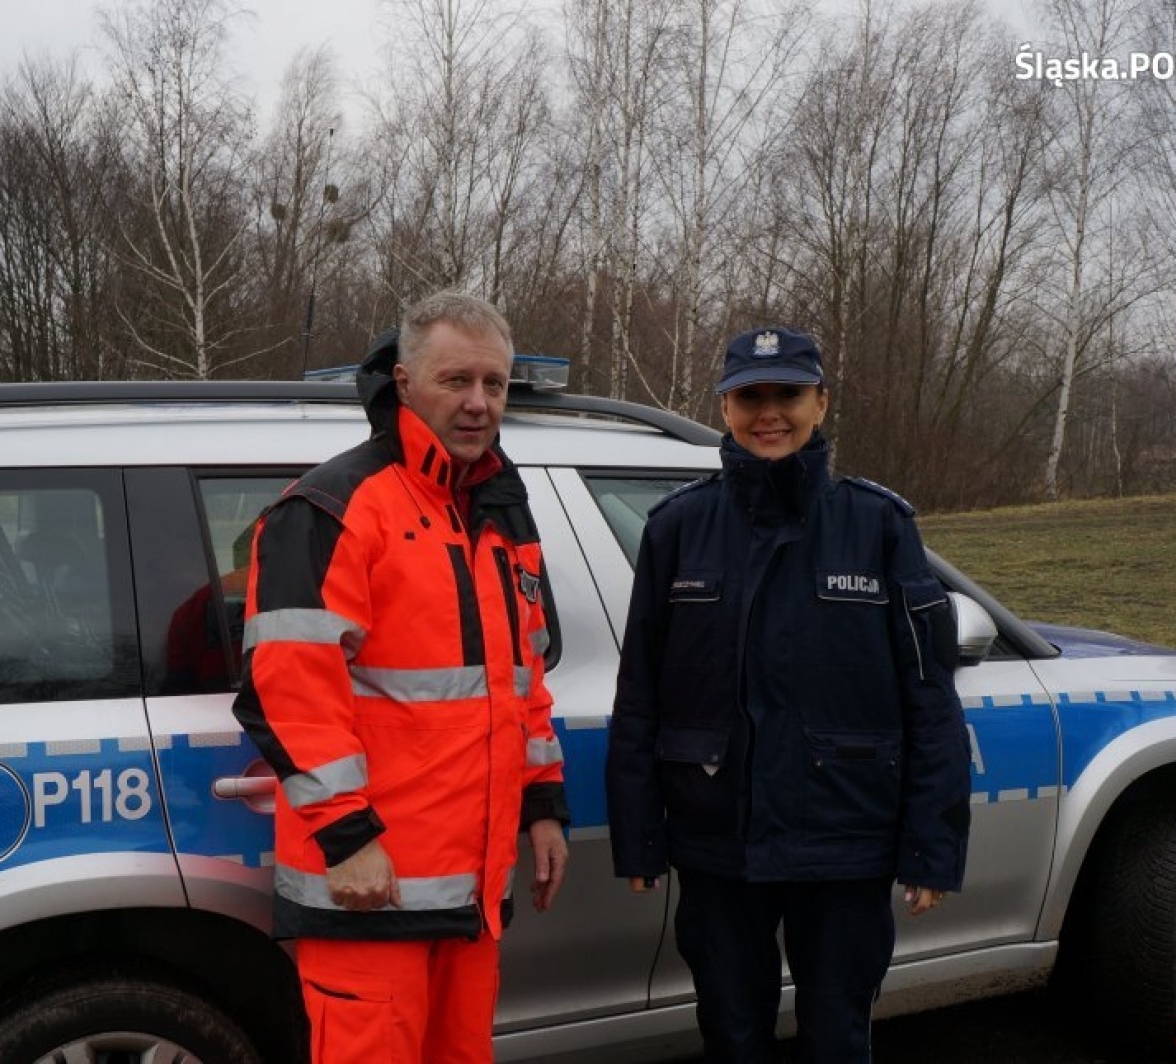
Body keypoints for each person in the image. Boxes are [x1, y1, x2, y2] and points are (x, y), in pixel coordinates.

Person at [606, 326, 971, 1063]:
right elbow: (640, 690)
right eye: (750, 396)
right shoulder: (677, 528)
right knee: (732, 1036)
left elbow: (929, 695)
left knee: (839, 1037)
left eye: (789, 395)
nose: (769, 413)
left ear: (822, 402)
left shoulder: (878, 526)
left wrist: (930, 845)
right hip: (718, 840)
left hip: (845, 839)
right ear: (725, 408)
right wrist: (640, 834)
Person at [232, 290, 570, 1064]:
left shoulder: (502, 509)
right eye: (457, 381)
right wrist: (347, 837)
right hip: (369, 891)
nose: (480, 403)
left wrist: (543, 804)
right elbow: (288, 688)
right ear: (405, 382)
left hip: (472, 896)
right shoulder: (333, 506)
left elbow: (523, 683)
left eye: (496, 384)